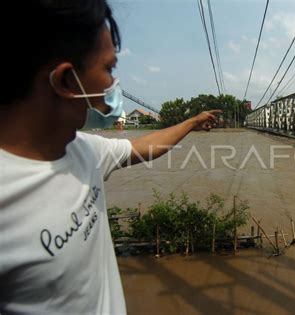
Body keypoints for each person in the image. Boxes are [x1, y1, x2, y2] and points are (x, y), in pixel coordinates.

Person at [0, 1, 220, 314]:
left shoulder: (84, 150)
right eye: (109, 69)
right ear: (65, 81)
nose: (113, 83)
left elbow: (143, 147)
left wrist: (192, 122)